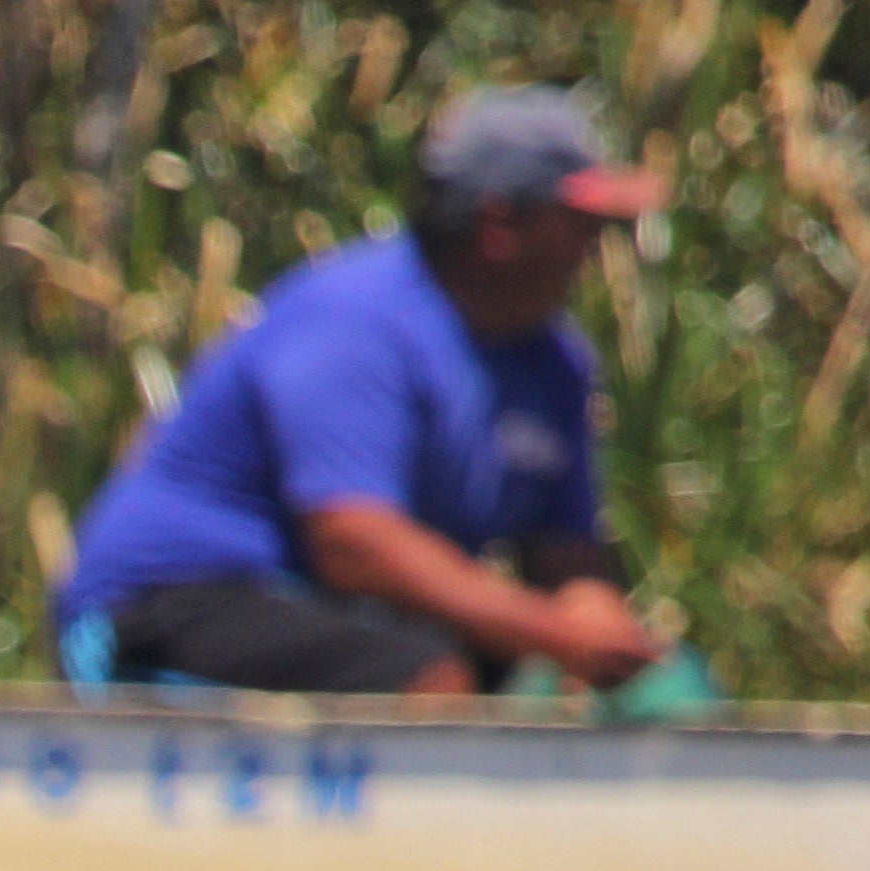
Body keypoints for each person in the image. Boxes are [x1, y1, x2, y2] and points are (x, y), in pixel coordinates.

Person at [57, 86, 667, 697]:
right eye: (582, 224)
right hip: (171, 599)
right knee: (427, 677)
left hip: (337, 611)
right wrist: (551, 635)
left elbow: (564, 553)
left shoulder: (553, 360)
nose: (595, 249)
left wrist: (594, 620)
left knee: (657, 696)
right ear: (500, 223)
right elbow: (352, 544)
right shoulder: (355, 322)